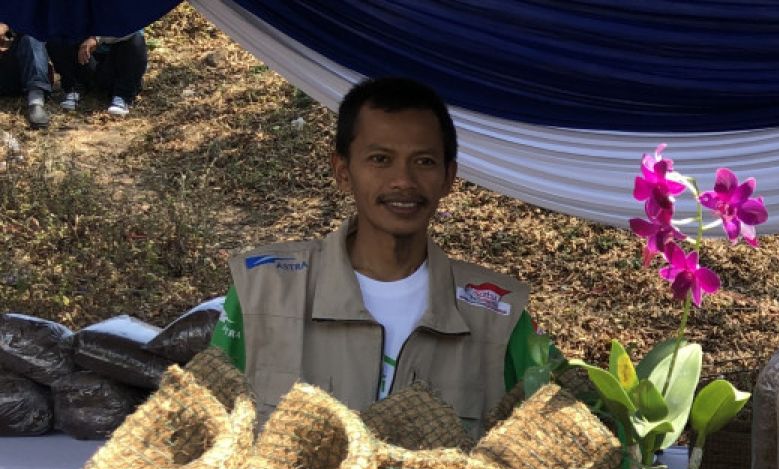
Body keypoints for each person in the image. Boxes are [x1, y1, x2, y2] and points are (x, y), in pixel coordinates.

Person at [210, 76, 544, 436]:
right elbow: (200, 436)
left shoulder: (499, 316)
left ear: (448, 178)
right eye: (380, 159)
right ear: (343, 172)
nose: (403, 180)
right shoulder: (263, 290)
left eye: (425, 161)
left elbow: (569, 441)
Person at [47, 30, 147, 116]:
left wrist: (96, 38)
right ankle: (73, 87)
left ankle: (123, 95)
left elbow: (130, 27)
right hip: (87, 61)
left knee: (136, 38)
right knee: (57, 35)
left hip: (117, 64)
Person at [0, 23, 52, 128]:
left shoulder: (20, 7)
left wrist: (7, 30)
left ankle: (36, 102)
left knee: (32, 36)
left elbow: (31, 23)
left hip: (19, 70)